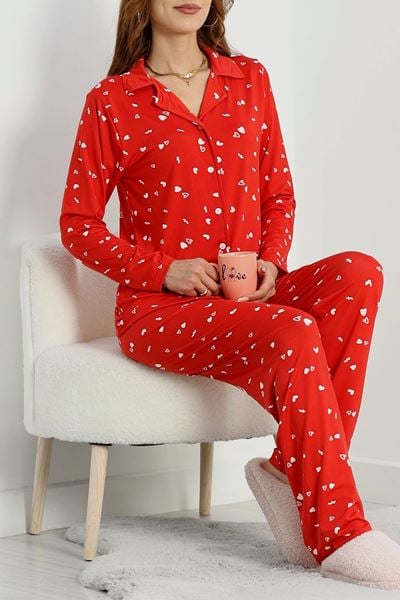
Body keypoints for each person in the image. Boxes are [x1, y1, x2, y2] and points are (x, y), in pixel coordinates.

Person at [59, 0, 400, 590]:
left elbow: (278, 194)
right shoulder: (112, 101)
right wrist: (163, 270)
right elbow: (78, 225)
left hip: (246, 299)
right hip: (161, 312)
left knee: (359, 274)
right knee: (295, 328)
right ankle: (339, 532)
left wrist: (271, 262)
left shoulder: (249, 80)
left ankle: (286, 471)